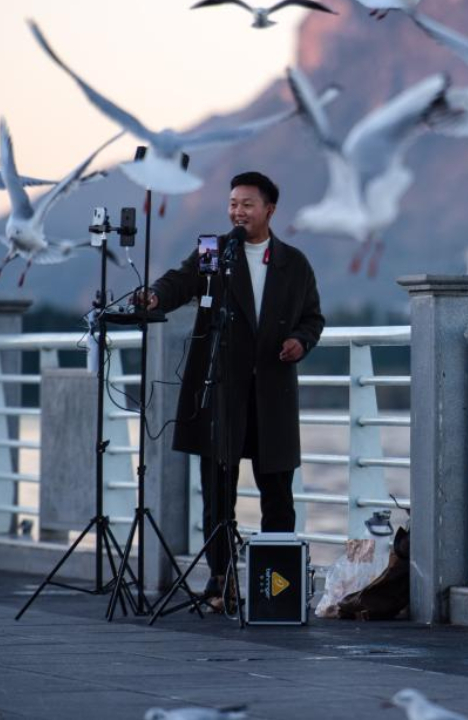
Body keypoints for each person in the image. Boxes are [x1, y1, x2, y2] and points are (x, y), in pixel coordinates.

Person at [140, 171, 324, 612]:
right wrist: (154, 297)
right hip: (222, 389)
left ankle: (277, 585)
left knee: (277, 491)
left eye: (247, 205)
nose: (237, 212)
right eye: (233, 204)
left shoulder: (294, 262)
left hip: (272, 392)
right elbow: (180, 282)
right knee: (217, 491)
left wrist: (301, 340)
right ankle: (220, 582)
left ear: (269, 211)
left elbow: (313, 318)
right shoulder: (214, 251)